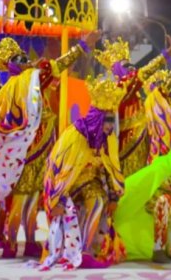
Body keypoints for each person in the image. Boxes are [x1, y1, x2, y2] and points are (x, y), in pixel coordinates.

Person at [0, 33, 98, 255]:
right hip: (26, 150)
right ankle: (10, 243)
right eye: (17, 59)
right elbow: (55, 67)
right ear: (9, 67)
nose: (24, 61)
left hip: (42, 144)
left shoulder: (28, 82)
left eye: (23, 57)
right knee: (21, 198)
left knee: (33, 197)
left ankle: (29, 241)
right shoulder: (21, 83)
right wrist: (81, 46)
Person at [40, 76, 126, 270]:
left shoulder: (108, 137)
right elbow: (59, 171)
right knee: (73, 210)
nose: (111, 126)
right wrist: (56, 201)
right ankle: (70, 250)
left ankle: (85, 252)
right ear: (97, 119)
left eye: (113, 121)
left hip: (91, 183)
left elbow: (111, 167)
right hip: (67, 187)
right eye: (108, 121)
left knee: (98, 203)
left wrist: (114, 195)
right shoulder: (75, 136)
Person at [94, 34, 171, 178]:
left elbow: (165, 86)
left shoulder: (136, 92)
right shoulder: (120, 89)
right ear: (117, 71)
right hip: (127, 149)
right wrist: (168, 53)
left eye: (131, 64)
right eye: (125, 65)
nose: (130, 67)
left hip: (145, 143)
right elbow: (143, 73)